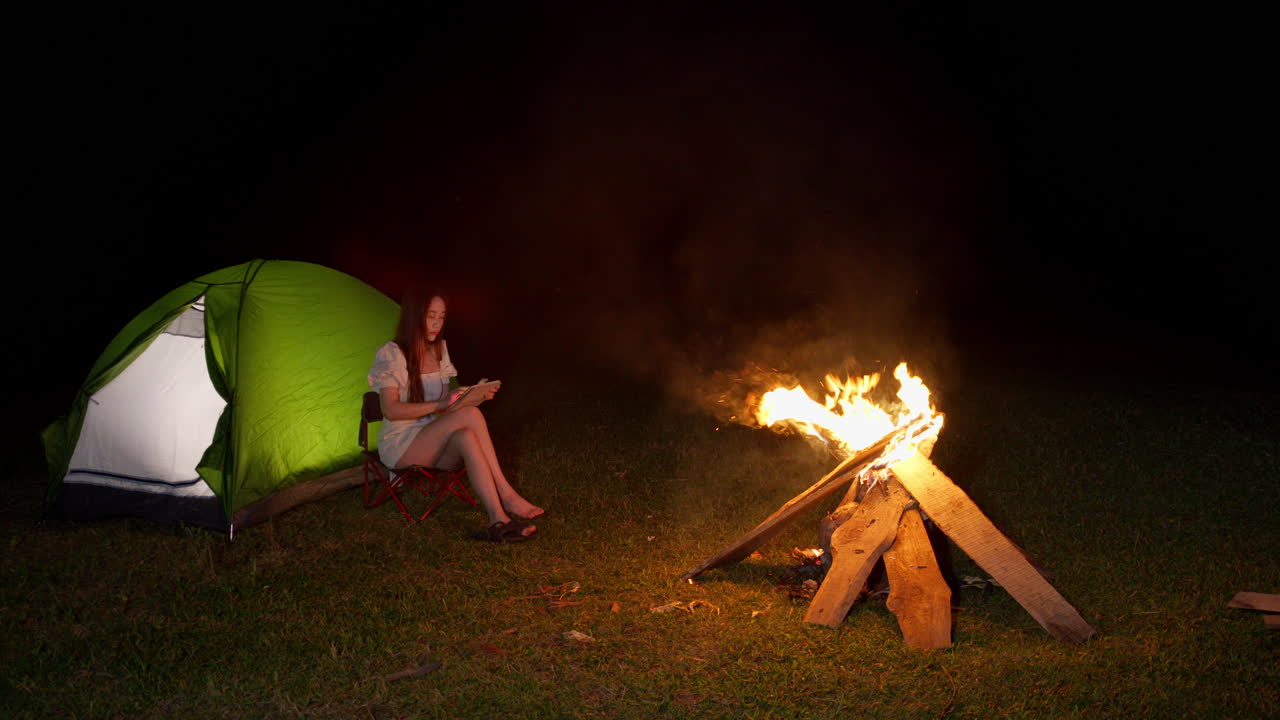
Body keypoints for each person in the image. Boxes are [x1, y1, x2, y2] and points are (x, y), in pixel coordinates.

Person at [367, 286, 543, 542]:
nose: (437, 324)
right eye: (431, 316)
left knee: (466, 435)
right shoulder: (393, 353)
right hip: (401, 445)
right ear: (414, 315)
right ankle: (507, 494)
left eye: (442, 316)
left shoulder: (440, 349)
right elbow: (391, 411)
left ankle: (498, 518)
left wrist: (474, 396)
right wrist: (442, 404)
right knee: (469, 416)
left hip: (432, 440)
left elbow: (448, 406)